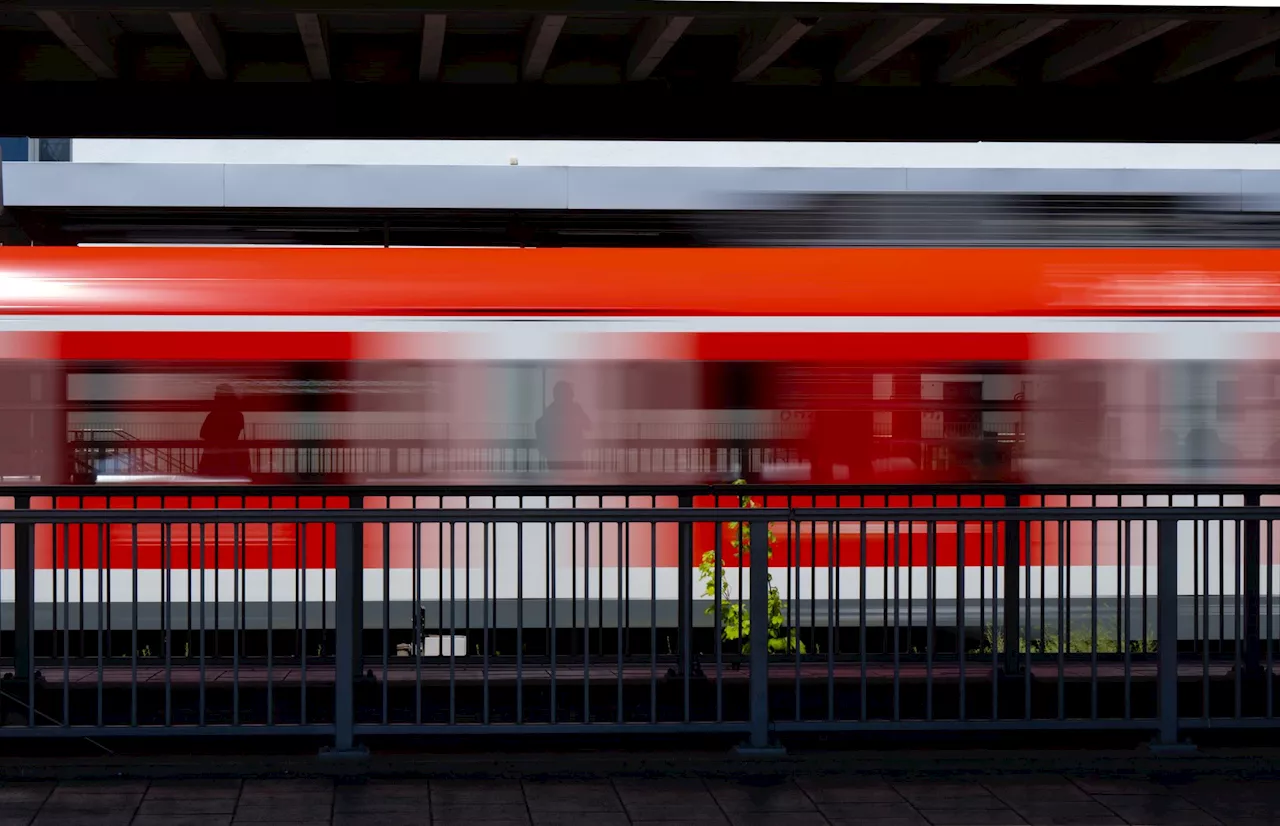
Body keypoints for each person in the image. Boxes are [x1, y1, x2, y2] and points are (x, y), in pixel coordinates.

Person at [536, 381, 591, 471]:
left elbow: (538, 424)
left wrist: (544, 449)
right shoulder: (575, 409)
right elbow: (588, 425)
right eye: (570, 394)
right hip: (573, 456)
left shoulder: (550, 410)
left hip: (556, 457)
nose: (572, 396)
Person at [198, 384, 250, 478]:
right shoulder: (238, 415)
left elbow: (203, 433)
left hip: (213, 458)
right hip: (231, 458)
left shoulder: (213, 415)